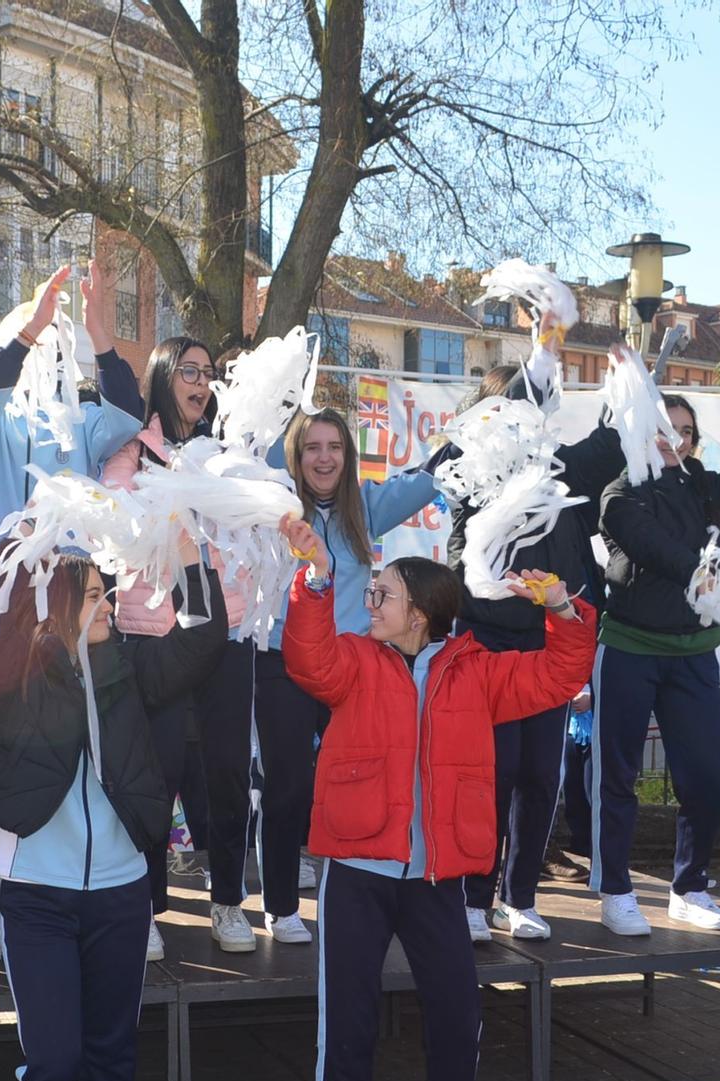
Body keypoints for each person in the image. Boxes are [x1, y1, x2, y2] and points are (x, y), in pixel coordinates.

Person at [281, 515, 595, 1081]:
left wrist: (564, 610)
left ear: (419, 611)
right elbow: (305, 658)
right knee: (349, 1026)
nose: (372, 603)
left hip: (438, 879)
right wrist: (316, 579)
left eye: (382, 593)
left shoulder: (476, 669)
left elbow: (559, 673)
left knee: (458, 1019)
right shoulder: (355, 660)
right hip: (357, 872)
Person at [0, 537, 225, 1081]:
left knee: (111, 1044)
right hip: (35, 893)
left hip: (121, 890)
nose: (105, 602)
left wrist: (192, 559)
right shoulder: (18, 673)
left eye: (105, 590)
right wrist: (15, 548)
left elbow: (202, 641)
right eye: (91, 593)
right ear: (55, 604)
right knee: (53, 1052)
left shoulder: (129, 666)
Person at [0, 262, 144, 967]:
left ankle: (105, 889)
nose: (48, 355)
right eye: (39, 344)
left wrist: (99, 332)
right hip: (1, 607)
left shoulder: (85, 421)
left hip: (73, 607)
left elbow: (127, 415)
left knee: (78, 744)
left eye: (58, 347)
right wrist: (27, 327)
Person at [590, 347, 720, 935]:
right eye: (661, 431)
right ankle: (616, 890)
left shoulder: (706, 490)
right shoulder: (619, 494)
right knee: (616, 776)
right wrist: (705, 573)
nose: (673, 440)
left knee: (707, 776)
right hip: (628, 648)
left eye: (683, 432)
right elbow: (651, 547)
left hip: (695, 655)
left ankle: (690, 885)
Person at [432, 331, 622, 943]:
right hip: (488, 648)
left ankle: (519, 896)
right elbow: (463, 556)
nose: (525, 426)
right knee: (494, 773)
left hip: (545, 654)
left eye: (531, 415)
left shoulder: (561, 473)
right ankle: (472, 895)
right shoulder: (473, 478)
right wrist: (491, 582)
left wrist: (631, 383)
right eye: (512, 415)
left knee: (542, 776)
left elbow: (612, 443)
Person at [250, 407, 439, 946]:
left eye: (335, 447)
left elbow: (430, 474)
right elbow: (252, 457)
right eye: (312, 447)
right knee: (286, 786)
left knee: (353, 784)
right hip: (282, 661)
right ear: (295, 456)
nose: (324, 457)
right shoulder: (276, 505)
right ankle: (281, 905)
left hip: (349, 666)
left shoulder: (366, 508)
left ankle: (356, 895)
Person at [101, 336, 243, 959]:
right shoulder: (133, 450)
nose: (201, 382)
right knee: (154, 775)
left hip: (223, 630)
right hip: (152, 636)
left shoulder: (226, 452)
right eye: (188, 370)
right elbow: (113, 517)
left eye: (208, 372)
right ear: (163, 376)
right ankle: (148, 906)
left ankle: (230, 900)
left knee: (228, 775)